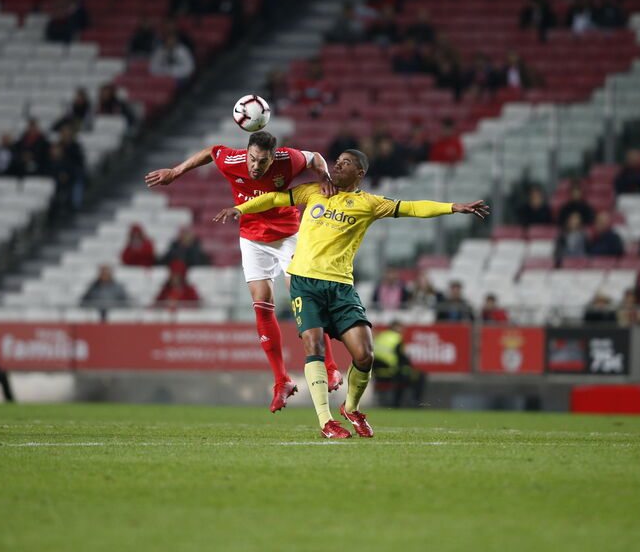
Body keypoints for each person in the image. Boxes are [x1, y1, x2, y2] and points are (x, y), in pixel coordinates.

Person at [214, 149, 488, 437]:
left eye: (346, 164)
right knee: (314, 346)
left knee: (365, 355)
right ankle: (325, 421)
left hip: (341, 286)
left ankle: (352, 408)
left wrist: (453, 207)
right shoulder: (313, 191)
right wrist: (240, 209)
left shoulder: (368, 203)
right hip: (304, 282)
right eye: (337, 162)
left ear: (360, 174)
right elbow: (274, 198)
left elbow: (411, 207)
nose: (337, 166)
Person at [145, 131, 344, 413]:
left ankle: (332, 367)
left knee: (304, 298)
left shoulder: (290, 159)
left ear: (273, 158)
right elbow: (210, 152)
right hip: (252, 239)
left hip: (288, 234)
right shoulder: (233, 159)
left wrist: (324, 176)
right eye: (252, 159)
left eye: (262, 162)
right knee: (262, 306)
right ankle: (281, 381)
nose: (255, 166)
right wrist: (176, 172)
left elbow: (316, 158)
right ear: (246, 153)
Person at [372, 321, 426, 408]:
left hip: (377, 373)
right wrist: (411, 368)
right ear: (396, 328)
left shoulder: (381, 336)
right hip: (391, 372)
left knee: (403, 374)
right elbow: (402, 357)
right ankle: (415, 402)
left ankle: (397, 403)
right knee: (419, 376)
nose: (403, 330)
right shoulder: (397, 338)